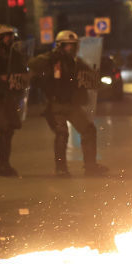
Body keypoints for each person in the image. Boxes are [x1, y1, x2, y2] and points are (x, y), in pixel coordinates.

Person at [29, 30, 109, 177]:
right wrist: (51, 57)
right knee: (62, 133)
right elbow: (33, 64)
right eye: (68, 46)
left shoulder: (77, 63)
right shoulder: (51, 60)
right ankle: (61, 168)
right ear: (60, 46)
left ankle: (90, 166)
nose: (71, 49)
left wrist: (98, 81)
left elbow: (91, 76)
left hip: (72, 105)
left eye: (74, 45)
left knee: (89, 130)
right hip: (55, 105)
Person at [0, 24, 27, 177]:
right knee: (4, 127)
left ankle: (3, 162)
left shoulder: (15, 54)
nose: (9, 39)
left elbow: (23, 72)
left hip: (11, 96)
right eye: (6, 36)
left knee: (10, 129)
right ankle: (3, 164)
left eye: (10, 36)